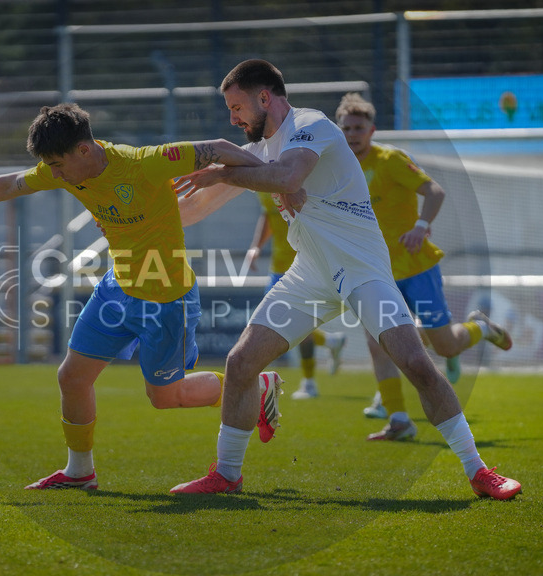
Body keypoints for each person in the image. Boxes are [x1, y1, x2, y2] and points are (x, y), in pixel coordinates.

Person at [171, 59, 520, 499]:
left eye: (237, 106)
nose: (233, 117)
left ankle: (479, 470)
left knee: (416, 363)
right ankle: (226, 474)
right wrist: (130, 218)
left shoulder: (309, 124)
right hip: (310, 273)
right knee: (240, 364)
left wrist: (222, 166)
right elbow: (196, 206)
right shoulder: (256, 152)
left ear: (265, 97)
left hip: (362, 269)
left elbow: (288, 175)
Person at [0, 102, 283, 491]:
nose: (53, 174)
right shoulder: (62, 170)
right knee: (72, 377)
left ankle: (256, 387)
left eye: (58, 164)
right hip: (116, 290)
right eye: (50, 167)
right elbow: (10, 183)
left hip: (167, 299)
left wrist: (276, 179)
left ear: (84, 149)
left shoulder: (146, 162)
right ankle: (80, 472)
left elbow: (220, 146)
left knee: (166, 397)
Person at [334, 93, 512, 440]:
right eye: (346, 128)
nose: (352, 134)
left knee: (443, 345)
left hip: (416, 269)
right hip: (375, 273)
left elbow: (434, 191)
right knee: (377, 342)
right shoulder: (337, 167)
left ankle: (480, 328)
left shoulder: (391, 159)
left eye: (358, 128)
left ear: (371, 130)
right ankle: (399, 420)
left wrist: (420, 226)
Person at [246, 191, 346, 399]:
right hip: (278, 268)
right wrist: (256, 246)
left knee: (299, 322)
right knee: (278, 321)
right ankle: (329, 342)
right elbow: (268, 214)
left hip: (306, 267)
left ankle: (309, 383)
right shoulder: (263, 185)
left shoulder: (302, 181)